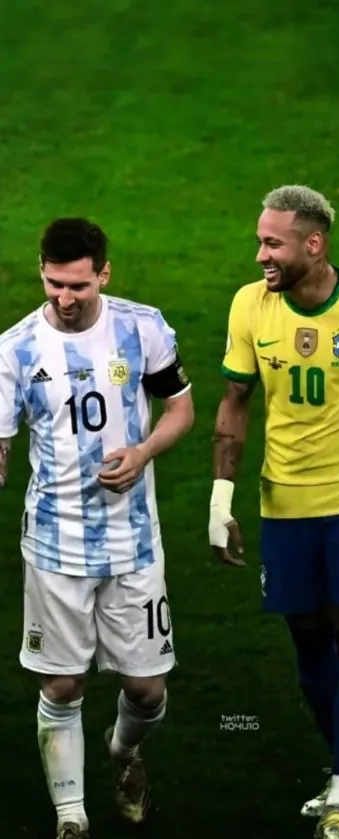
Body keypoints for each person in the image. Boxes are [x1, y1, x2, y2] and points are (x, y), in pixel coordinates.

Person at [208, 185, 339, 839]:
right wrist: (219, 499)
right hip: (282, 506)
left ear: (312, 244)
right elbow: (234, 401)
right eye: (259, 240)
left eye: (272, 242)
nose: (259, 253)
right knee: (308, 646)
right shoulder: (249, 305)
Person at [0, 218, 194, 839]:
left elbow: (180, 408)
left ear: (102, 274)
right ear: (42, 271)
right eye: (54, 283)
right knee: (62, 681)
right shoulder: (15, 350)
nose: (64, 297)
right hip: (54, 544)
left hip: (133, 540)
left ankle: (123, 752)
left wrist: (142, 454)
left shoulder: (141, 327)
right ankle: (72, 817)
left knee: (146, 690)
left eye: (78, 285)